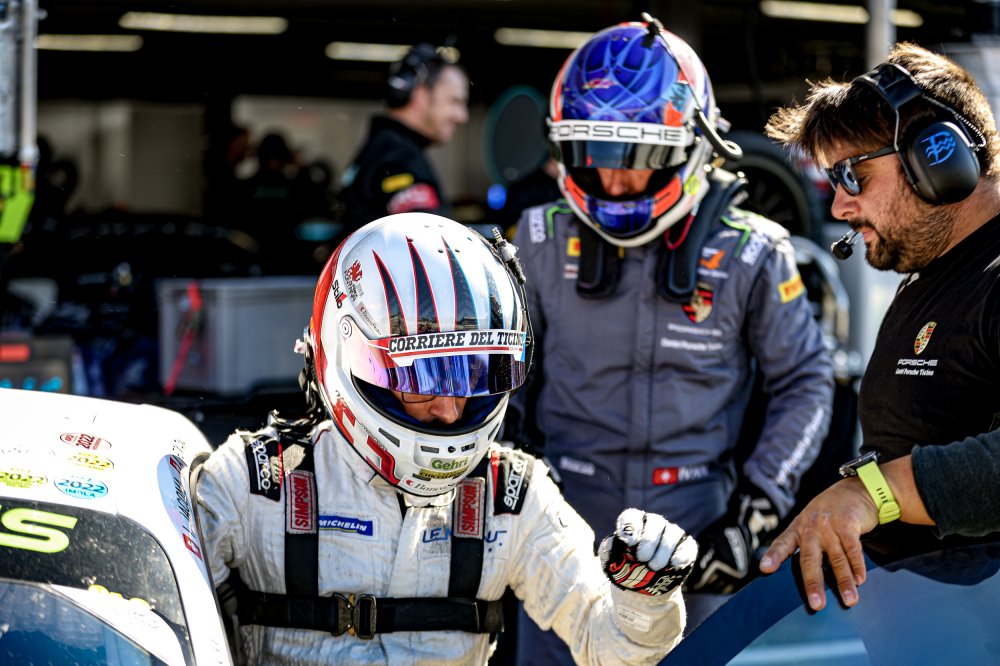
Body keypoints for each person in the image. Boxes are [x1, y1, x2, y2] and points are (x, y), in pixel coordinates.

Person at [194, 212, 699, 665]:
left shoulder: (510, 495)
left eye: (473, 375)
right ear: (348, 357)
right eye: (423, 378)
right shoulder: (252, 483)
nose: (450, 408)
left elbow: (610, 647)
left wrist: (644, 599)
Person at [506, 16, 835, 662]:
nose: (614, 181)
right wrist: (510, 477)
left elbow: (807, 381)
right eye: (594, 156)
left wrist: (757, 509)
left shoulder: (753, 252)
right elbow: (502, 379)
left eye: (637, 159)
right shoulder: (539, 237)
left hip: (696, 538)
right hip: (560, 532)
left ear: (692, 147)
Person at [759, 42, 1000, 611]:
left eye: (853, 175)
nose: (840, 206)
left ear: (937, 157)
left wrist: (872, 494)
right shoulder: (932, 276)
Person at [339, 44, 469, 233]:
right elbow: (427, 242)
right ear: (421, 96)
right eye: (455, 102)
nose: (462, 117)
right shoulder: (398, 156)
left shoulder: (384, 147)